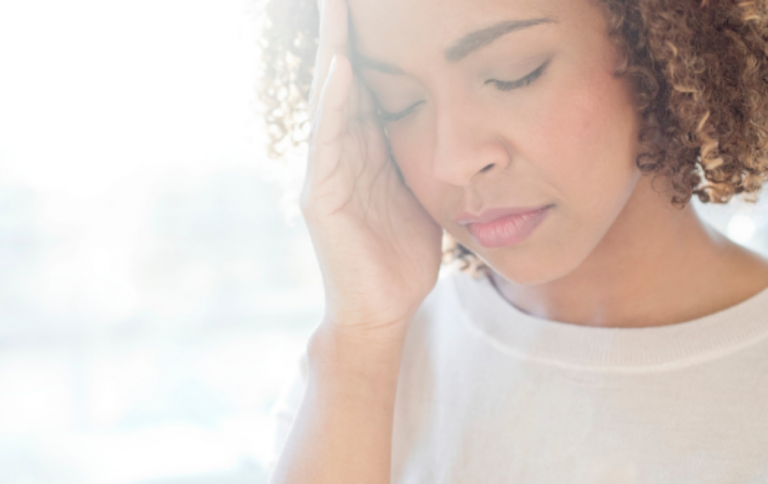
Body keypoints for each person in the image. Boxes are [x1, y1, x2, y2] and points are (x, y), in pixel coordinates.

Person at [258, 0, 768, 481]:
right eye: (400, 105)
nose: (452, 160)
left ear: (651, 43)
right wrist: (361, 343)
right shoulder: (357, 371)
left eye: (514, 73)